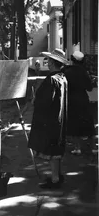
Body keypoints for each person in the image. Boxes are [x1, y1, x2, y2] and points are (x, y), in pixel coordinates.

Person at [28, 48, 68, 189]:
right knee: (55, 150)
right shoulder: (62, 78)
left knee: (52, 151)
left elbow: (45, 101)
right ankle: (56, 176)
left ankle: (55, 179)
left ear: (53, 62)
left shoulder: (52, 79)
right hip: (58, 119)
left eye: (49, 60)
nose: (47, 62)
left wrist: (35, 100)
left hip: (50, 120)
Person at [63, 50, 95, 155]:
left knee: (74, 124)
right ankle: (93, 147)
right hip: (83, 99)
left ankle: (77, 148)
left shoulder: (66, 71)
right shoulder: (83, 72)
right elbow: (89, 88)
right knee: (89, 123)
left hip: (71, 100)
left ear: (72, 61)